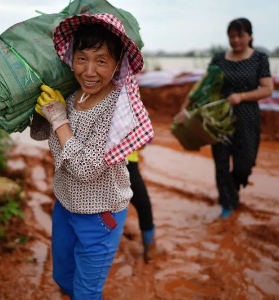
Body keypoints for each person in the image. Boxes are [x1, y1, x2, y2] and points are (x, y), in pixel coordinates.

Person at [30, 13, 154, 299]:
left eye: (101, 61)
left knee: (87, 292)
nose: (89, 71)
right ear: (71, 57)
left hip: (100, 218)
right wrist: (43, 111)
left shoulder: (117, 111)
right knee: (62, 276)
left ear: (117, 64)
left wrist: (60, 121)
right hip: (65, 205)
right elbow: (41, 135)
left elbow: (85, 167)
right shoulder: (73, 97)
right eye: (82, 58)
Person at [176, 18, 273, 219]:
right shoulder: (219, 58)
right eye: (232, 36)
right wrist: (183, 109)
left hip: (247, 118)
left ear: (250, 36)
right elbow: (203, 85)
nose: (236, 40)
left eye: (240, 36)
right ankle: (227, 204)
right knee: (221, 163)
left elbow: (267, 89)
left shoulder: (260, 58)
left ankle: (234, 187)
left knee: (244, 164)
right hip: (217, 119)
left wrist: (242, 96)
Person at [126, 149, 156, 263]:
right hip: (127, 161)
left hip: (99, 159)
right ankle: (150, 248)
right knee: (144, 205)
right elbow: (142, 143)